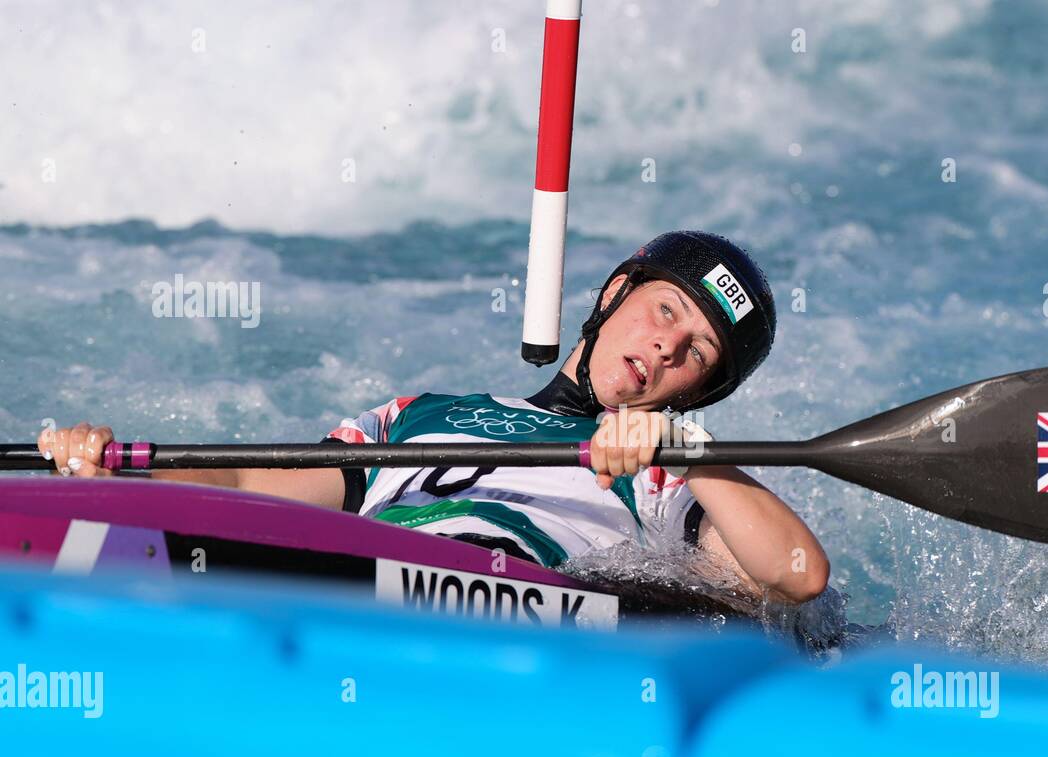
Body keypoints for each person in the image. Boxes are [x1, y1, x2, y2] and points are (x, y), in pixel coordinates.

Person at [39, 231, 830, 604]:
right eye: (664, 309)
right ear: (613, 293)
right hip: (361, 567)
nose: (665, 342)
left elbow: (794, 577)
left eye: (693, 352)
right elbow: (252, 484)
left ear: (690, 393)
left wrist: (689, 451)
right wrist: (117, 473)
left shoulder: (666, 470)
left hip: (519, 607)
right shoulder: (421, 413)